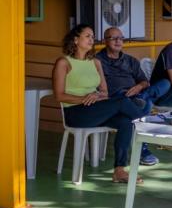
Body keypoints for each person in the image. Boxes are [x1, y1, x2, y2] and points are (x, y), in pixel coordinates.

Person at [52, 24, 147, 183]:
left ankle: (119, 170)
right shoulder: (64, 62)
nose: (92, 39)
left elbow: (104, 92)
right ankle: (147, 123)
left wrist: (96, 95)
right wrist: (84, 99)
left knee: (125, 122)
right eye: (87, 36)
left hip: (96, 109)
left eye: (92, 36)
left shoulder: (95, 62)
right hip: (76, 113)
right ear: (76, 40)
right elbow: (59, 95)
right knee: (122, 101)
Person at [96, 27, 170, 166]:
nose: (118, 41)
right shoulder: (97, 61)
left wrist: (139, 87)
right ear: (105, 41)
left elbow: (144, 81)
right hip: (116, 99)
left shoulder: (130, 61)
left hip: (137, 94)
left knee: (165, 83)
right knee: (144, 104)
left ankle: (142, 98)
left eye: (121, 38)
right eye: (113, 38)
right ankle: (143, 149)